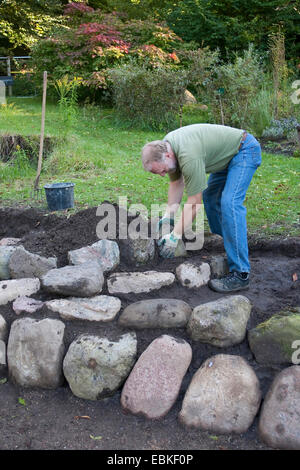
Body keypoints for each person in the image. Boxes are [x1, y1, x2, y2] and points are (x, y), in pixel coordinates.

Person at [141, 123, 262, 293]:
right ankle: (229, 244)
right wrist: (168, 215)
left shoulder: (187, 155)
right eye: (157, 173)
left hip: (244, 151)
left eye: (161, 171)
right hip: (224, 158)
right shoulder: (168, 147)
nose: (162, 175)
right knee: (210, 197)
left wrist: (175, 236)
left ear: (167, 155)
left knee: (230, 203)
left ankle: (240, 274)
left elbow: (194, 202)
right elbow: (176, 182)